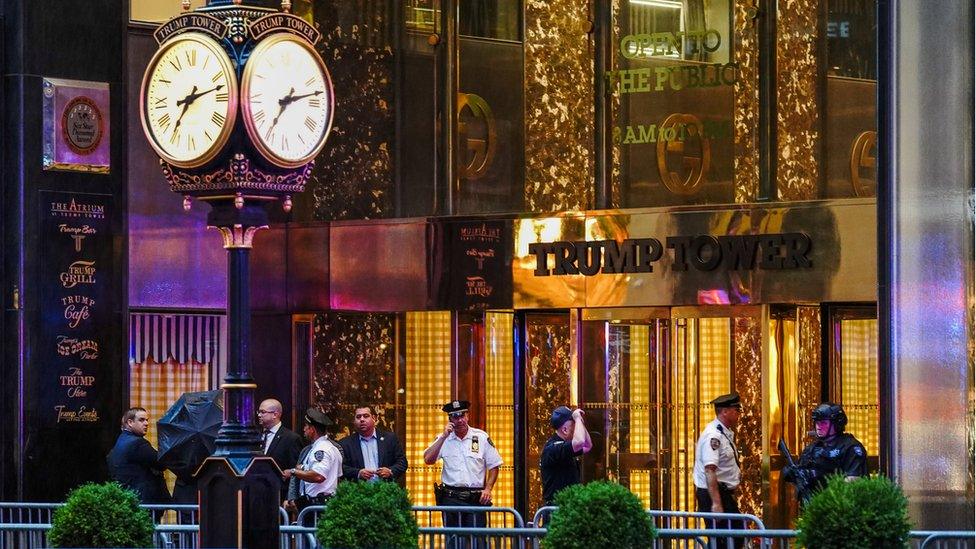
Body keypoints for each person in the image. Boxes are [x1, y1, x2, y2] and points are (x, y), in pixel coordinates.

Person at [423, 400, 502, 549]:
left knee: (478, 542)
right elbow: (428, 459)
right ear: (449, 420)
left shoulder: (481, 437)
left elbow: (494, 465)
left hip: (475, 499)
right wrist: (443, 437)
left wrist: (488, 489)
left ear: (468, 416)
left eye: (462, 415)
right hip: (451, 498)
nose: (459, 420)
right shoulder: (443, 439)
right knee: (453, 542)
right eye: (455, 417)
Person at [784, 402, 867, 503]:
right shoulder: (813, 447)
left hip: (840, 507)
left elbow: (853, 481)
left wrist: (818, 475)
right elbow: (800, 469)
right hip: (812, 508)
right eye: (817, 422)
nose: (819, 426)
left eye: (823, 423)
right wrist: (792, 473)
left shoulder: (850, 447)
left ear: (837, 423)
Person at [692, 392, 745, 548]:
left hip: (722, 494)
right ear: (725, 411)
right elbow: (710, 470)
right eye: (736, 410)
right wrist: (716, 503)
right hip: (713, 494)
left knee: (731, 536)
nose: (739, 413)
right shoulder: (713, 435)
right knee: (724, 539)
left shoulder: (723, 432)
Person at [282, 408, 343, 519]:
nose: (304, 429)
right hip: (318, 504)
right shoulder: (329, 448)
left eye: (306, 426)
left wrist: (293, 472)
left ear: (312, 429)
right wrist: (303, 468)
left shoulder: (321, 450)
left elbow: (318, 476)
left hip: (318, 505)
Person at [107, 407, 171, 503]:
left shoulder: (120, 441)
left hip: (128, 500)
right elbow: (161, 463)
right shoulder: (138, 443)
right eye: (141, 420)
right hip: (142, 502)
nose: (146, 423)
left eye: (147, 420)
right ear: (130, 422)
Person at [339, 404, 408, 482]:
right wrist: (358, 473)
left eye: (366, 416)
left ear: (374, 418)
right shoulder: (345, 443)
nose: (362, 419)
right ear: (354, 421)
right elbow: (340, 467)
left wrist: (390, 471)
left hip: (385, 490)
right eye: (358, 417)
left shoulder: (390, 439)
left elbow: (402, 462)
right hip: (358, 491)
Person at [540, 406, 592, 506]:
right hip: (556, 509)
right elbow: (580, 441)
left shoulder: (564, 446)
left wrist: (579, 421)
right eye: (574, 426)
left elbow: (587, 445)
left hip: (566, 506)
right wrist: (577, 418)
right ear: (565, 430)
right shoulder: (553, 448)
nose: (577, 429)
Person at [258, 398, 303, 501]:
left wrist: (290, 498)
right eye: (259, 412)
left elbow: (296, 471)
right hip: (258, 494)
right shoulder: (257, 436)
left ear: (275, 414)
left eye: (263, 412)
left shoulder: (291, 438)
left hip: (279, 496)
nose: (259, 415)